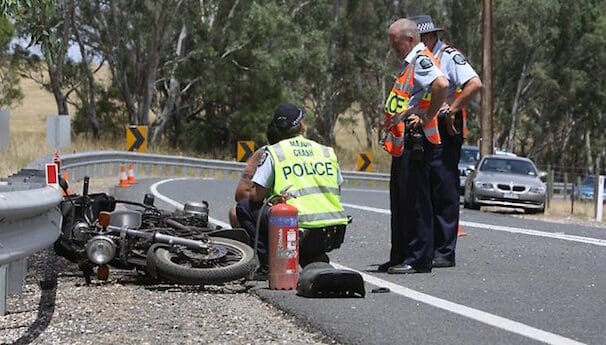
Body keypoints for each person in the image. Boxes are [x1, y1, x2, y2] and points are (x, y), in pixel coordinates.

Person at [235, 103, 349, 269]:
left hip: (296, 231)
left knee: (244, 207)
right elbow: (338, 189)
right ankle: (310, 257)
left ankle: (269, 263)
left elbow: (254, 196)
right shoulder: (325, 151)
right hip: (333, 232)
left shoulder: (275, 152)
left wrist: (273, 199)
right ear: (301, 126)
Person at [410, 15, 483, 268]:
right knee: (425, 186)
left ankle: (444, 251)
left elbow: (474, 84)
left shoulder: (449, 56)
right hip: (423, 122)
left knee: (444, 185)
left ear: (429, 37)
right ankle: (427, 247)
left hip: (443, 121)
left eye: (417, 39)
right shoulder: (418, 59)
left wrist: (452, 109)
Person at [378, 18, 448, 274]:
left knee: (416, 200)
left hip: (416, 139)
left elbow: (441, 84)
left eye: (395, 43)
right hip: (402, 140)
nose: (393, 48)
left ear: (408, 39)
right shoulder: (409, 63)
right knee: (400, 200)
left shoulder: (421, 59)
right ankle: (400, 254)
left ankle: (418, 257)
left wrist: (428, 114)